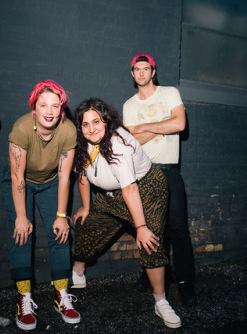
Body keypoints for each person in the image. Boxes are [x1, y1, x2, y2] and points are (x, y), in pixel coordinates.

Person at [71, 98, 181, 329]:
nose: (91, 128)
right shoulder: (81, 143)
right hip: (110, 195)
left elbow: (130, 188)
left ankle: (160, 301)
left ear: (106, 120)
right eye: (85, 124)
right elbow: (82, 175)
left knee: (151, 242)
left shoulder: (117, 142)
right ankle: (78, 270)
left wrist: (141, 228)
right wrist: (87, 206)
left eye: (96, 122)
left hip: (146, 190)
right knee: (86, 223)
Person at [1, 80, 80, 330]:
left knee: (61, 232)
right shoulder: (22, 128)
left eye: (54, 106)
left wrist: (61, 215)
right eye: (42, 105)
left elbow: (65, 176)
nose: (49, 111)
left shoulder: (68, 130)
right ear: (33, 108)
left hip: (51, 181)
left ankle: (61, 294)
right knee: (21, 234)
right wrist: (22, 217)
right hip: (20, 179)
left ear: (61, 109)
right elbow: (17, 176)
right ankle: (24, 297)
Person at [122, 54, 197, 306]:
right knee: (151, 229)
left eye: (146, 68)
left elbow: (180, 123)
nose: (141, 73)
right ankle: (150, 273)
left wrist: (145, 127)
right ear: (132, 74)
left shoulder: (169, 93)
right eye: (137, 69)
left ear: (153, 71)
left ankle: (186, 284)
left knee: (178, 230)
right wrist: (161, 126)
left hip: (169, 170)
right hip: (144, 172)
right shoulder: (129, 105)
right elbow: (131, 142)